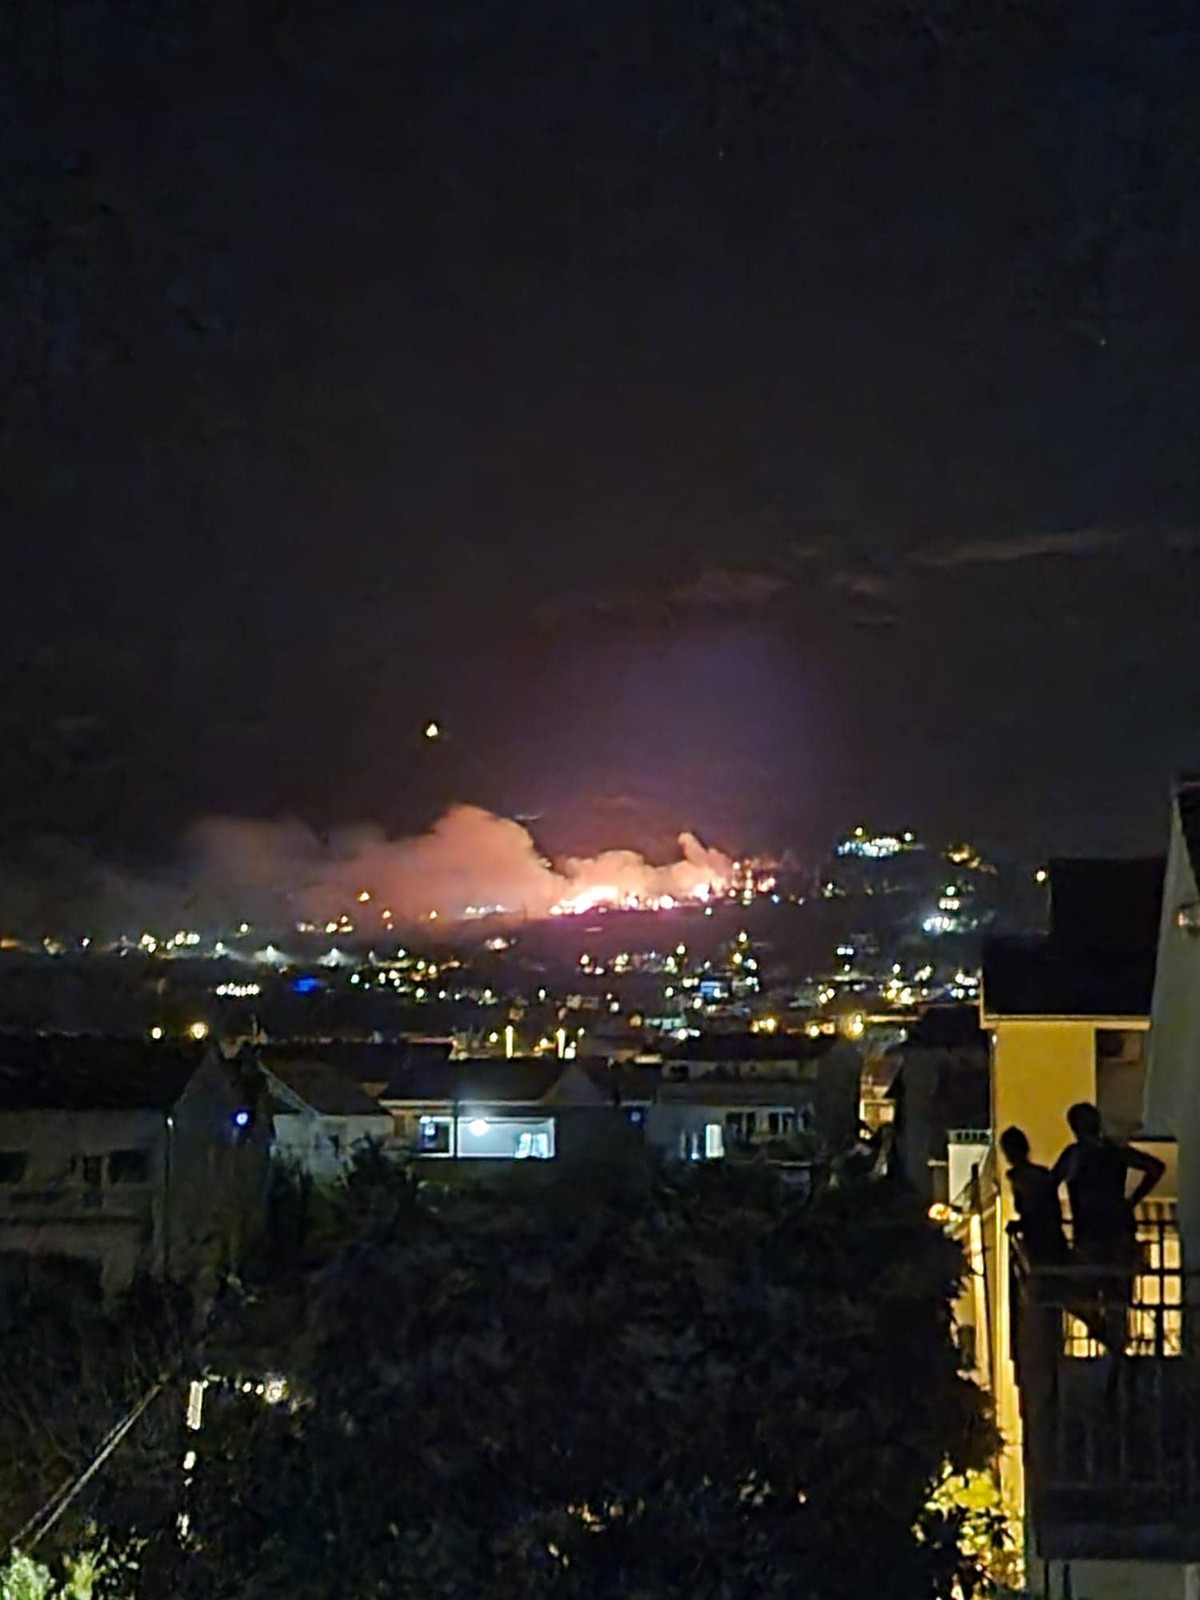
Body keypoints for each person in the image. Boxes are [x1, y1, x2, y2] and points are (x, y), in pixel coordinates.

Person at [1051, 1102, 1165, 1355]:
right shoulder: (1114, 1151)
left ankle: (1109, 1343)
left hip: (1091, 1237)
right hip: (1119, 1232)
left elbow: (1049, 1185)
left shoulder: (1076, 1154)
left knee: (1077, 1294)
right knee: (1116, 1302)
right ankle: (1115, 1349)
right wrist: (1131, 1201)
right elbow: (1155, 1167)